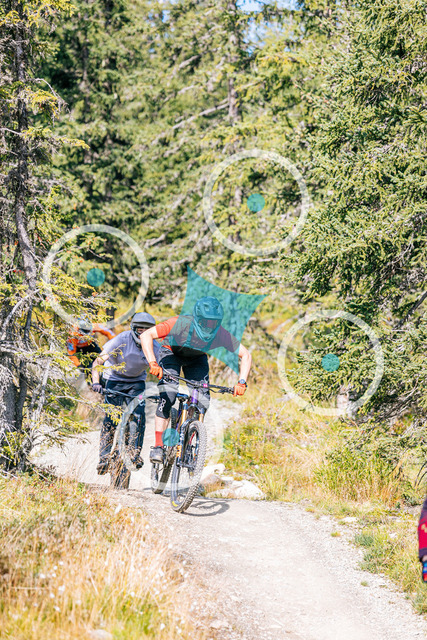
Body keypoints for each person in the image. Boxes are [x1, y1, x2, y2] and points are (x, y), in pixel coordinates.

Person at [141, 296, 252, 463]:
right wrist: (153, 363)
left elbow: (245, 355)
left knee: (202, 401)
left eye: (214, 322)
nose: (210, 325)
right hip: (171, 353)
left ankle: (187, 440)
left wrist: (242, 382)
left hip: (196, 358)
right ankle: (158, 446)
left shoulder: (220, 333)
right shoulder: (180, 323)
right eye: (206, 321)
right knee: (168, 394)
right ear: (198, 319)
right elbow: (146, 335)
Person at [91, 311, 160, 474]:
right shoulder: (121, 340)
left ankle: (134, 454)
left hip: (136, 382)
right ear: (133, 328)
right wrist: (96, 382)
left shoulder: (155, 347)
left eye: (147, 330)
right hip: (114, 379)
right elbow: (98, 361)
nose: (143, 333)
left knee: (139, 415)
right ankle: (104, 457)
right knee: (111, 418)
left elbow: (163, 369)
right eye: (140, 329)